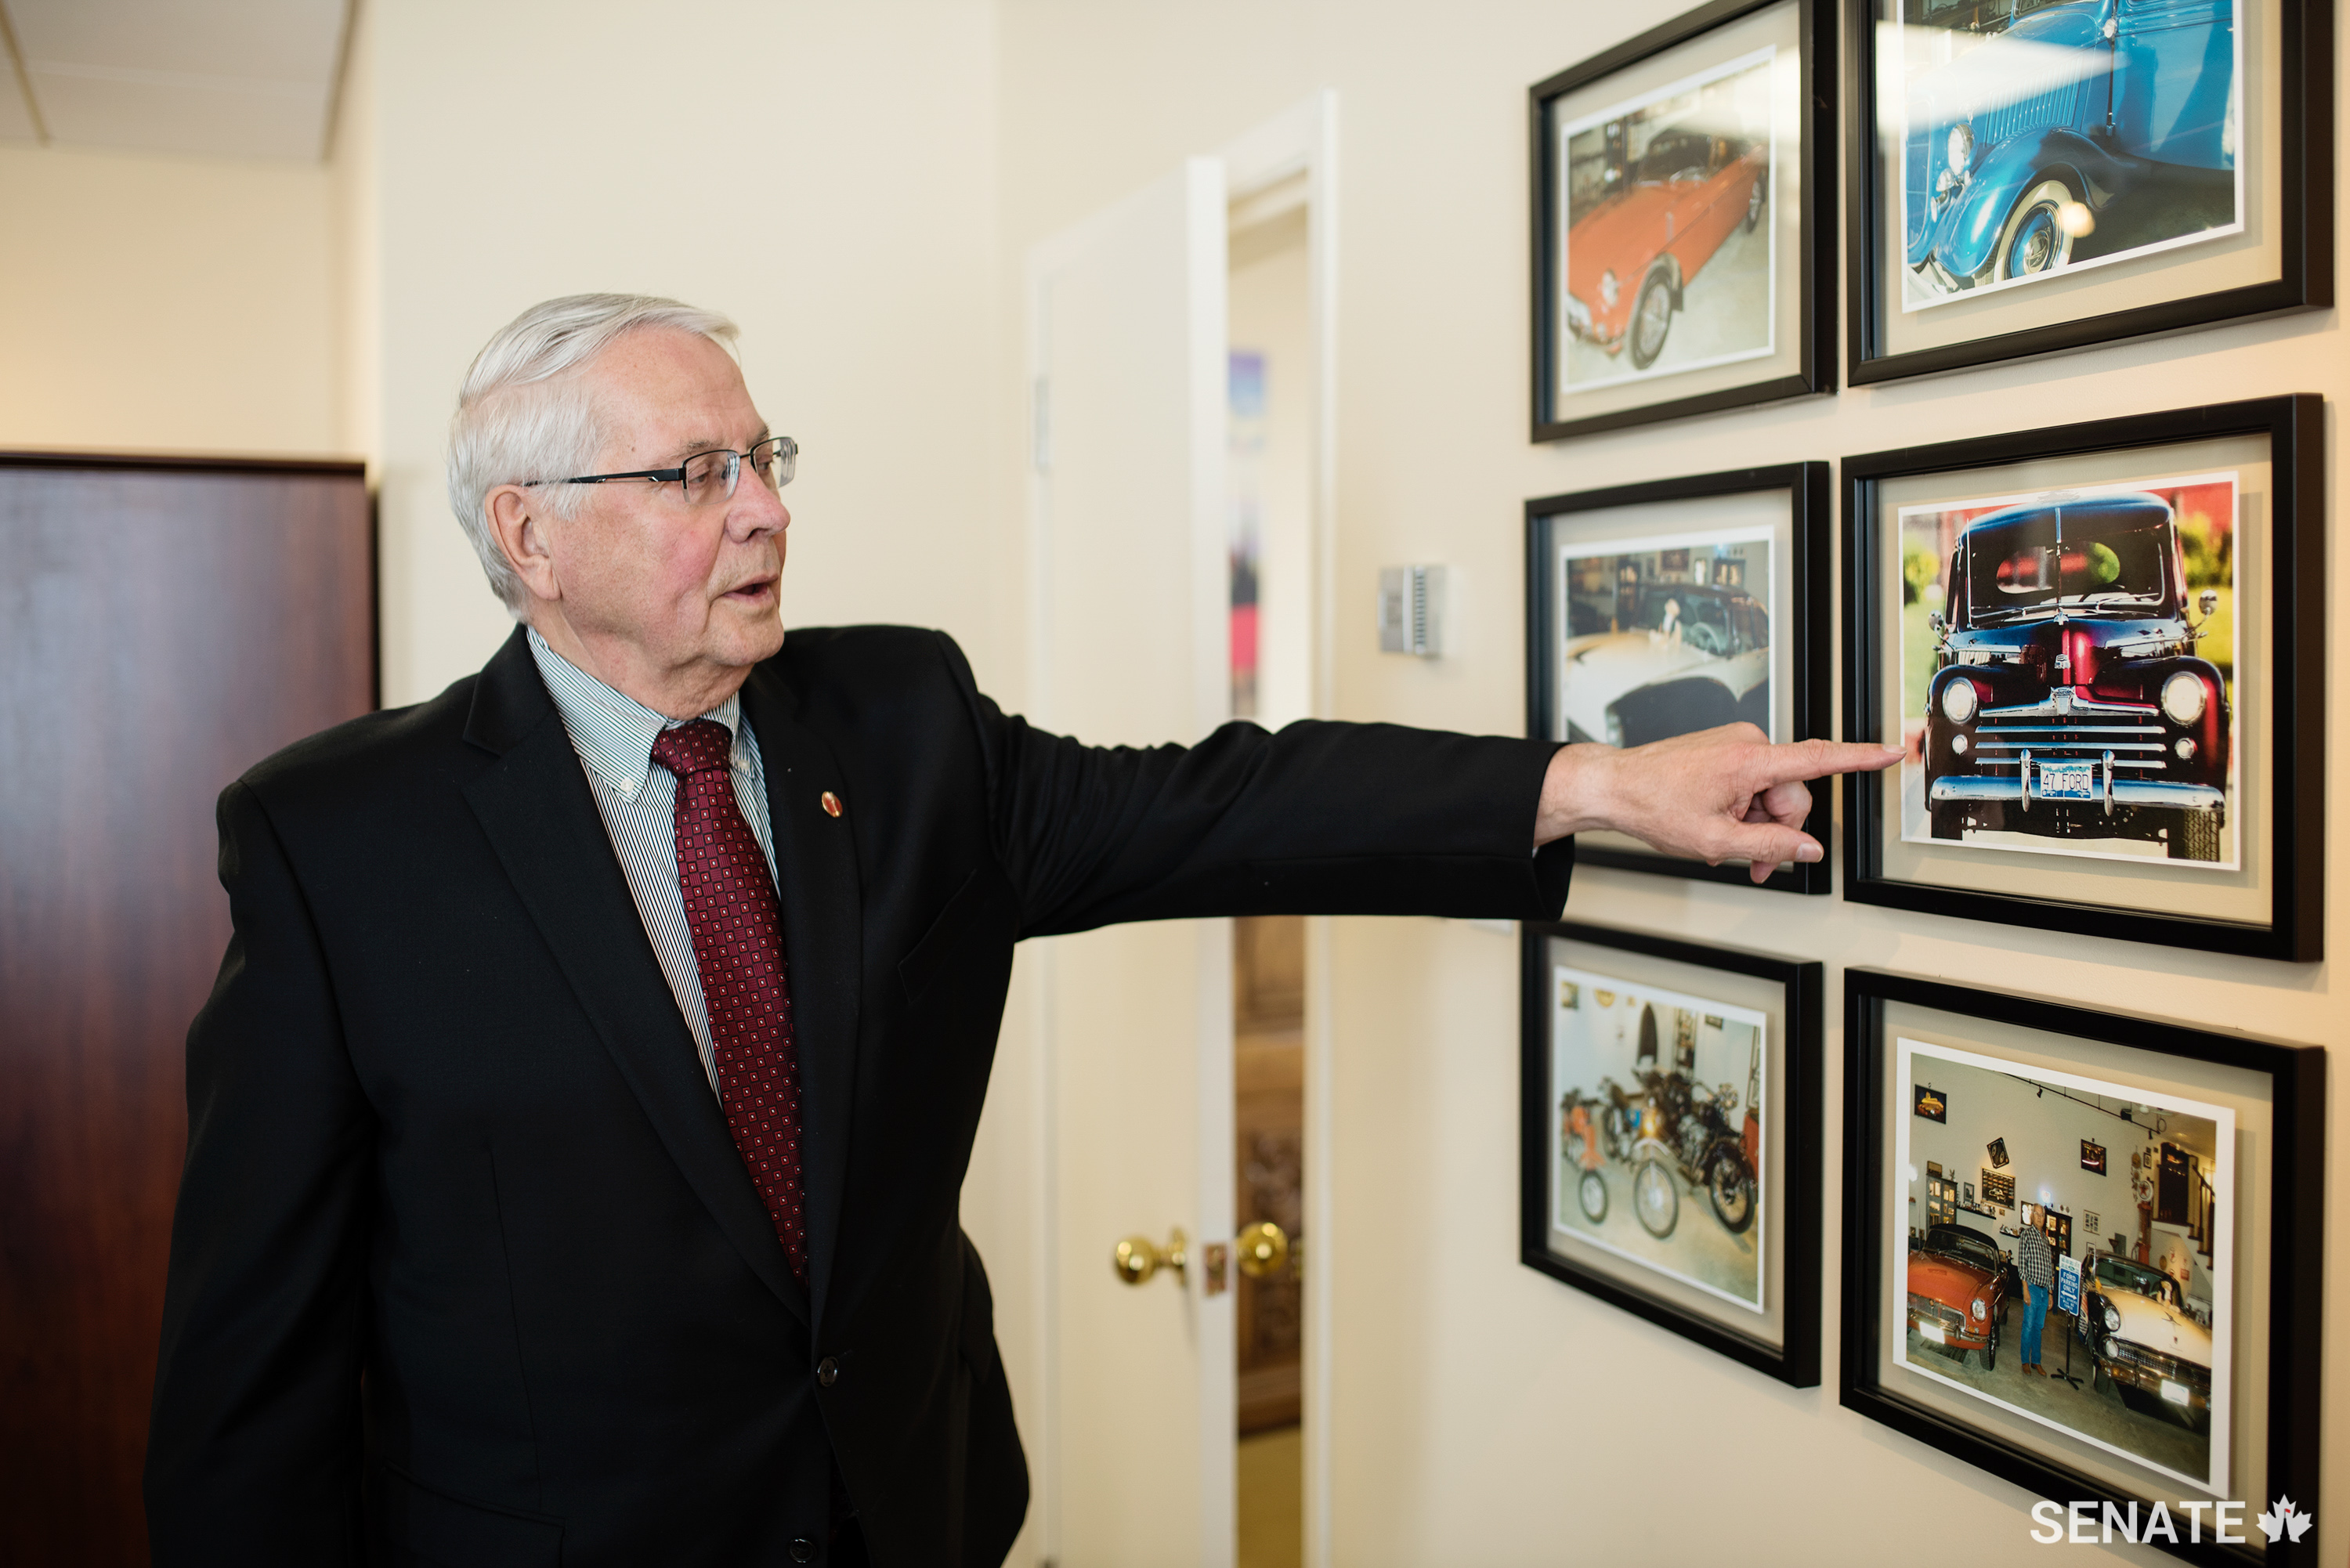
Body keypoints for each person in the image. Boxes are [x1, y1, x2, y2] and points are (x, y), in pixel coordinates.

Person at [143, 294, 1899, 1568]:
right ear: (530, 535)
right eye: (697, 472)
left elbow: (1224, 801)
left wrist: (1592, 787)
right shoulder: (337, 839)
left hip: (920, 1510)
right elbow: (254, 1362)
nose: (763, 506)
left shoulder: (897, 724)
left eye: (763, 456)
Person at [2015, 1216, 2055, 1375]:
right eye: (2037, 1214)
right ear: (2032, 1217)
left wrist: (2050, 1293)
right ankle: (2025, 1361)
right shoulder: (2026, 1235)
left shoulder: (2046, 1240)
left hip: (2044, 1291)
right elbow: (2022, 1263)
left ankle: (2036, 1362)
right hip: (2031, 1287)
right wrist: (2025, 1288)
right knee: (2028, 1325)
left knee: (2039, 1328)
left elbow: (2050, 1268)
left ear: (2044, 1219)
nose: (2039, 1218)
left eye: (2042, 1215)